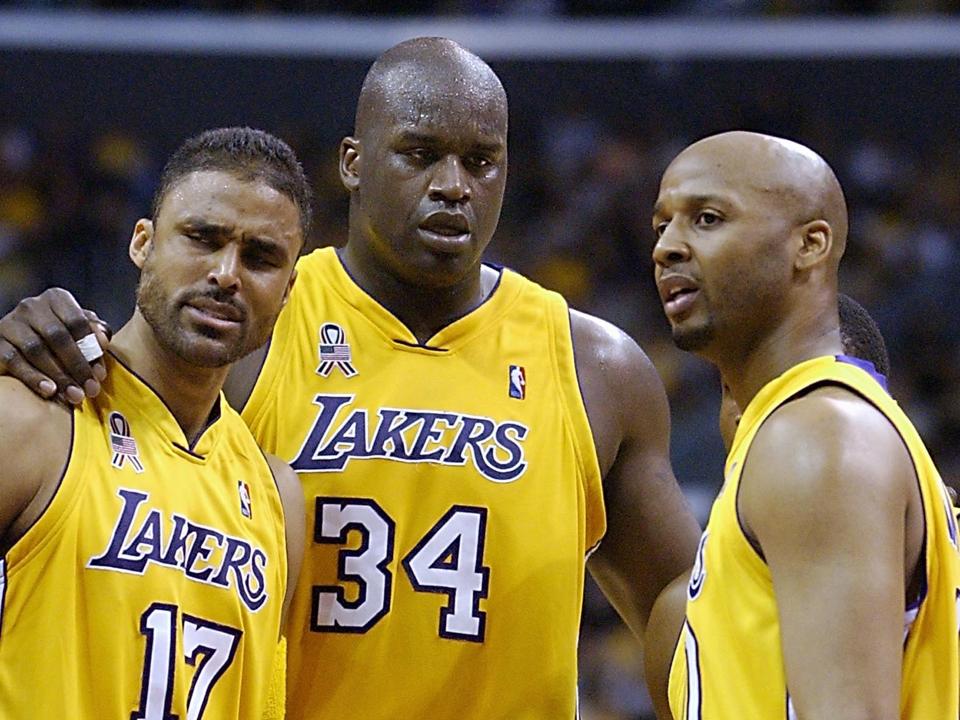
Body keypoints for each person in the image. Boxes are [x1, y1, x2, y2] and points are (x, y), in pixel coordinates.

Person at [0, 39, 701, 719]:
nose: (454, 186)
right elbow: (119, 403)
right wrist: (39, 343)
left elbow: (684, 594)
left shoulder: (594, 367)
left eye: (481, 162)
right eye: (422, 155)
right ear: (355, 164)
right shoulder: (254, 316)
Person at [649, 130, 960, 718]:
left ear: (811, 244)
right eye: (660, 225)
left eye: (707, 218)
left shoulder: (818, 432)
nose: (666, 246)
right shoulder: (798, 431)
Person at [0, 127, 307, 718]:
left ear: (288, 289)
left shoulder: (276, 496)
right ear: (143, 243)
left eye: (261, 257)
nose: (226, 273)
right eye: (202, 238)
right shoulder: (38, 420)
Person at [643, 290, 894, 719]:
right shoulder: (676, 617)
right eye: (734, 386)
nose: (751, 406)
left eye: (788, 384)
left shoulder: (936, 550)